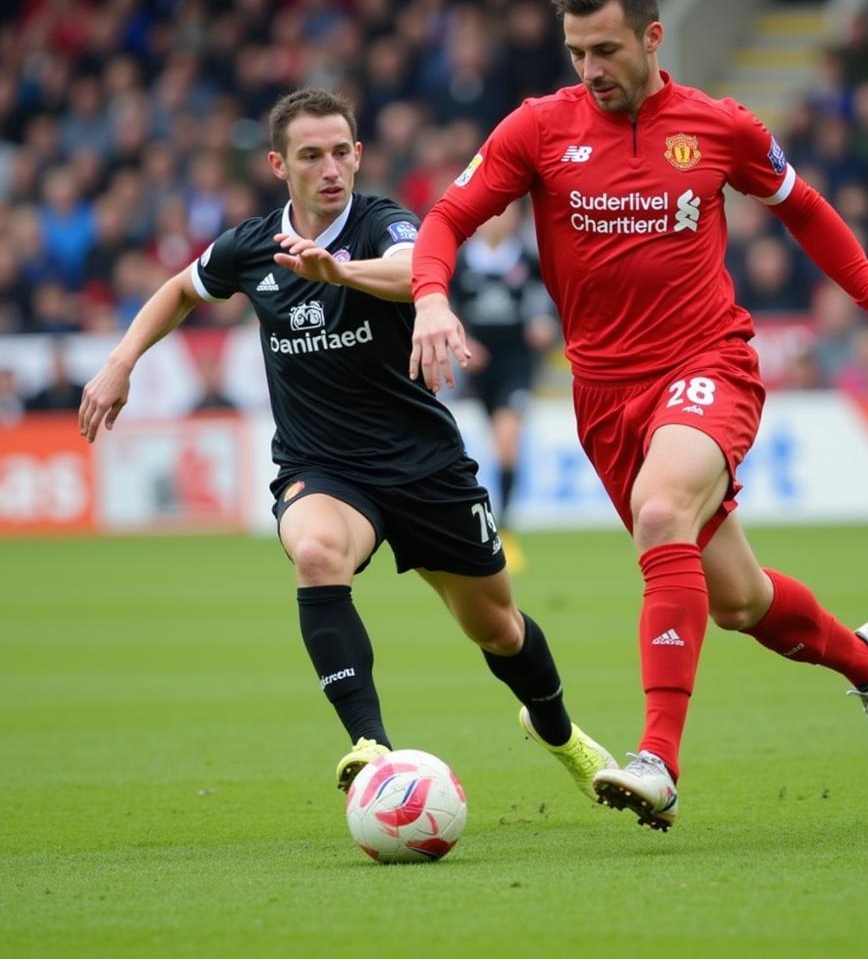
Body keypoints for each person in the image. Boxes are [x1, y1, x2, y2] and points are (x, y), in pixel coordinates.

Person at [409, 0, 868, 833]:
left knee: (660, 516)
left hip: (707, 364)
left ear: (653, 37)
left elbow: (804, 208)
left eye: (605, 49)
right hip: (605, 398)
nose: (589, 70)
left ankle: (658, 759)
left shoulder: (718, 126)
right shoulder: (539, 129)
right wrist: (430, 293)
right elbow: (449, 218)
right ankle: (867, 662)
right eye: (576, 52)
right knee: (739, 602)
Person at [79, 87, 614, 804]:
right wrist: (121, 361)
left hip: (424, 467)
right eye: (311, 156)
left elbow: (418, 268)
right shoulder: (252, 245)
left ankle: (560, 734)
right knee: (314, 552)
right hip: (323, 468)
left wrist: (339, 272)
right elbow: (180, 288)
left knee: (498, 628)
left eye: (341, 152)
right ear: (279, 164)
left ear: (358, 155)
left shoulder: (381, 224)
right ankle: (372, 747)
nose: (330, 168)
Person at [448, 199, 559, 573]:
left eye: (509, 211)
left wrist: (546, 323)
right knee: (481, 447)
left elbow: (555, 298)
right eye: (496, 211)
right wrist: (463, 340)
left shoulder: (527, 259)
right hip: (478, 366)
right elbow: (446, 306)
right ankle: (475, 525)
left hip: (516, 362)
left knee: (508, 438)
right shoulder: (463, 264)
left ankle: (505, 530)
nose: (501, 218)